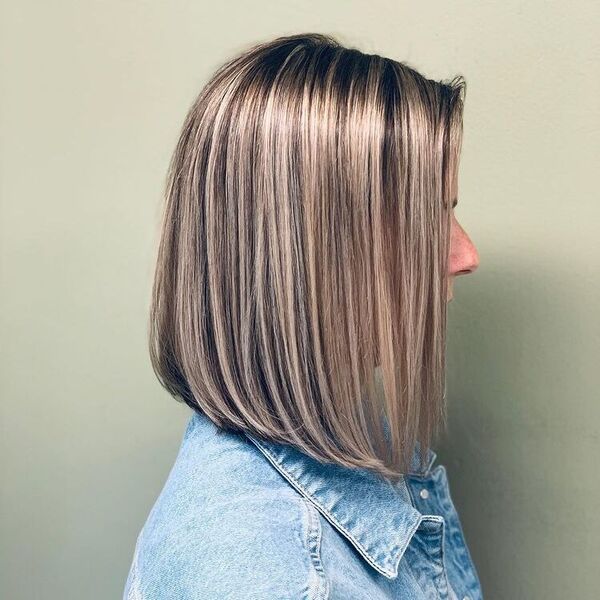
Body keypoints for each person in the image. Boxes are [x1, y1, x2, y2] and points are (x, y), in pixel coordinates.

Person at [123, 32, 482, 600]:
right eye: (429, 217)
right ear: (309, 255)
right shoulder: (278, 578)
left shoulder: (341, 447)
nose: (465, 255)